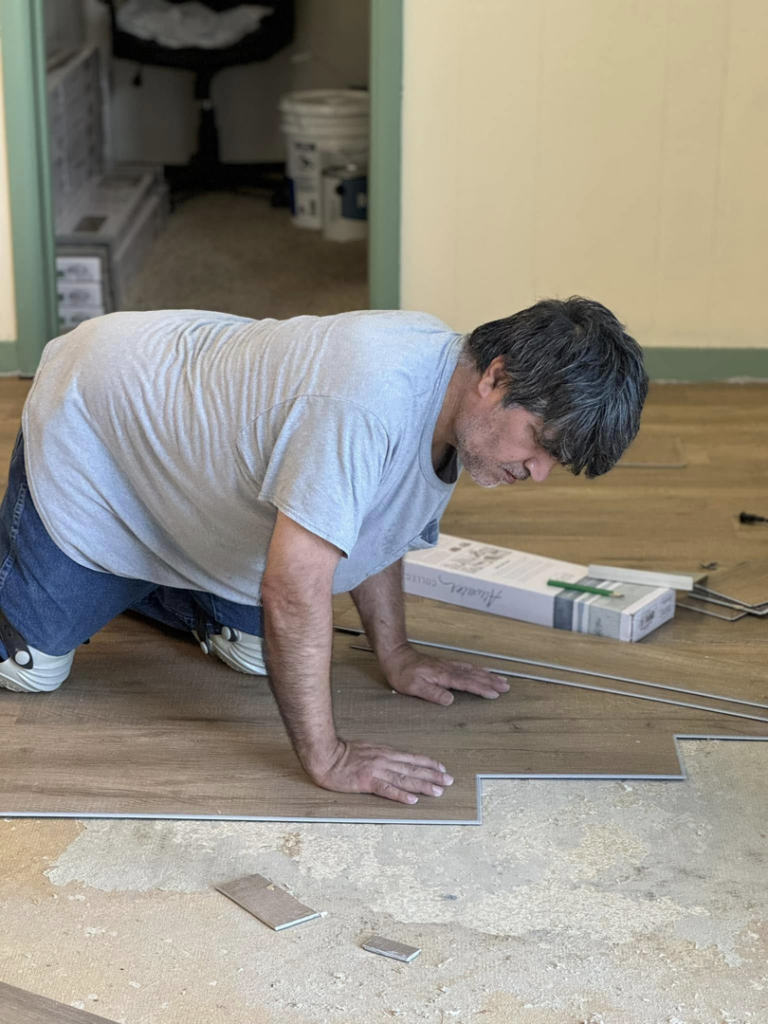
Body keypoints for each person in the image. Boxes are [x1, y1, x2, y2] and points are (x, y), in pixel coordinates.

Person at [0, 297, 648, 804]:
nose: (539, 472)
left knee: (257, 655)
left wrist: (396, 655)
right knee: (31, 670)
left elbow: (377, 524)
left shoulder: (452, 399)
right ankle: (64, 560)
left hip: (188, 464)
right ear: (497, 377)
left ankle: (144, 579)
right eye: (539, 442)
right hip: (100, 417)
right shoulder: (366, 401)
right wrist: (328, 757)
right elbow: (291, 592)